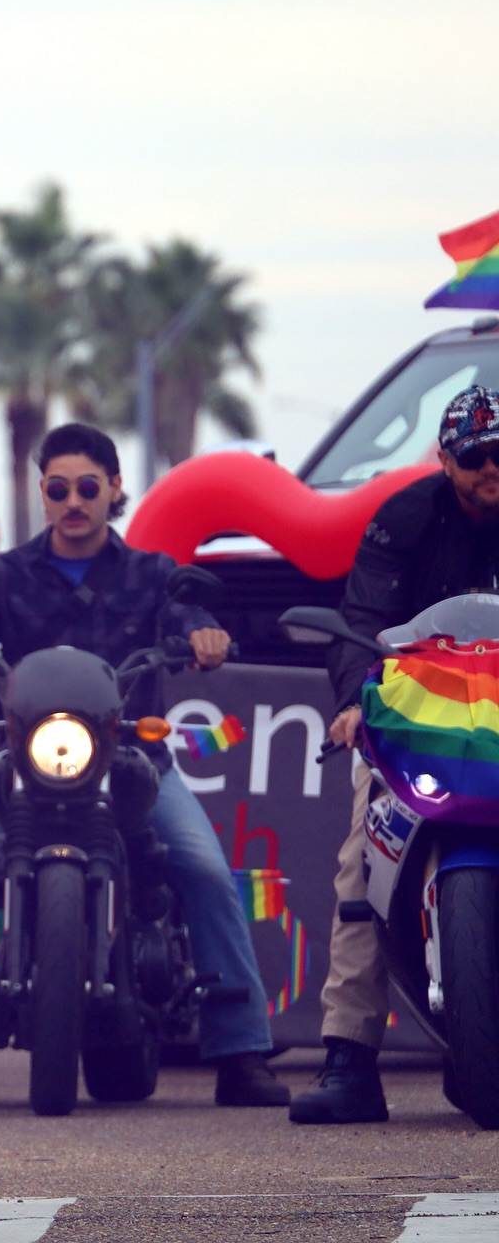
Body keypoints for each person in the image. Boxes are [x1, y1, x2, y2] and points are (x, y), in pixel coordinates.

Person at [0, 422, 288, 1111]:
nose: (73, 500)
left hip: (136, 763)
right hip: (26, 771)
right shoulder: (6, 575)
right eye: (58, 488)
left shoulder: (151, 575)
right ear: (42, 493)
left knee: (208, 872)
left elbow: (188, 615)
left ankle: (243, 1052)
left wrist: (203, 636)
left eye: (87, 487)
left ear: (114, 490)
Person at [289, 383, 499, 1125]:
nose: (492, 468)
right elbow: (361, 619)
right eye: (477, 454)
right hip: (420, 727)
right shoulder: (404, 517)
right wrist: (353, 706)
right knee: (359, 861)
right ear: (445, 457)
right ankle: (349, 1059)